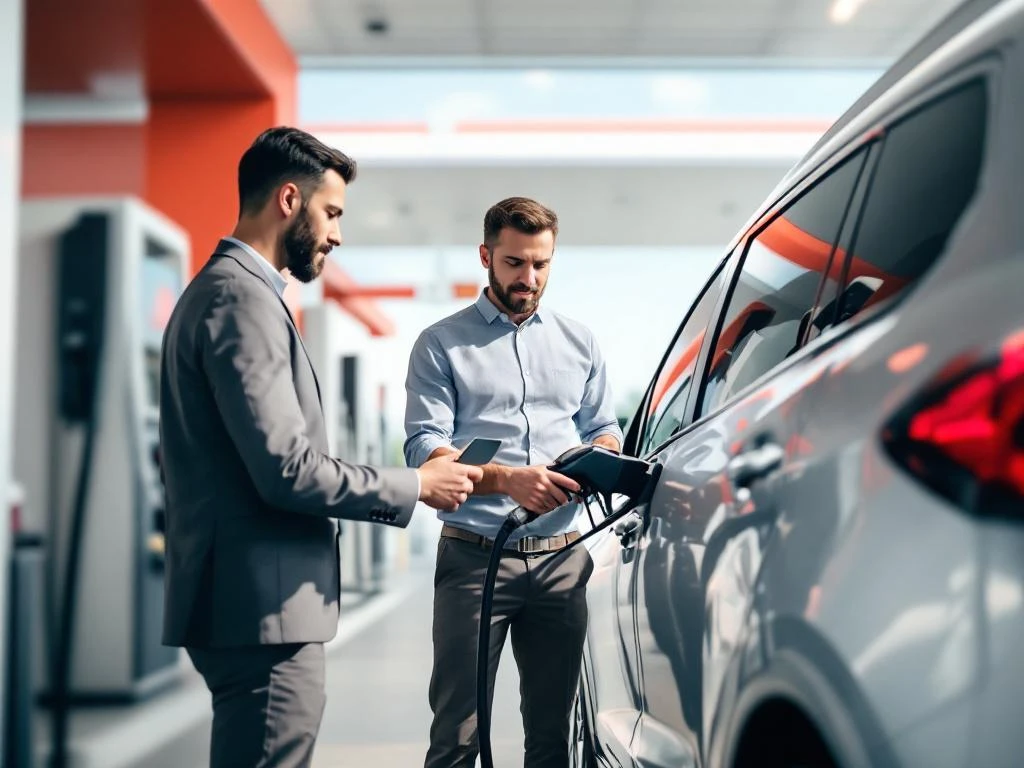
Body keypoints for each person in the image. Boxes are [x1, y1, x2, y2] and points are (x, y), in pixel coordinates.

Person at [158, 126, 482, 768]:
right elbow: (287, 471)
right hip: (262, 612)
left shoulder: (231, 294)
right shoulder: (240, 299)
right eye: (331, 212)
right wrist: (417, 485)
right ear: (288, 200)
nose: (337, 234)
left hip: (250, 605)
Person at [404, 197, 623, 768]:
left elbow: (603, 425)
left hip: (562, 561)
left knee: (552, 736)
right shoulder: (440, 344)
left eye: (541, 265)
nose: (528, 278)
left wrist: (600, 454)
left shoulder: (581, 343)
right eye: (514, 263)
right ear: (486, 256)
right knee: (456, 735)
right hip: (474, 561)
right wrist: (507, 480)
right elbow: (425, 446)